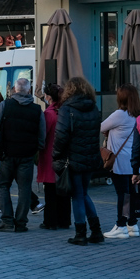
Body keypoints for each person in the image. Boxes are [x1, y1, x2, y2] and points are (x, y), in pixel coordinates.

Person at [0, 78, 45, 233]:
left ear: (14, 89)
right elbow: (42, 135)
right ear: (29, 90)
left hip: (7, 153)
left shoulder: (5, 105)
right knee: (24, 189)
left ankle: (7, 220)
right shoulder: (36, 110)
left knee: (3, 185)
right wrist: (36, 149)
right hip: (26, 155)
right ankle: (21, 222)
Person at [53, 77, 104, 245]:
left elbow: (61, 136)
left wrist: (56, 154)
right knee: (84, 193)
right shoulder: (93, 107)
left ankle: (80, 233)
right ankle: (96, 231)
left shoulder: (67, 109)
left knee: (77, 195)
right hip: (90, 157)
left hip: (72, 157)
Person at [100, 83, 140, 239]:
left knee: (122, 194)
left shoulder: (119, 115)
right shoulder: (139, 115)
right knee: (131, 194)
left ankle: (121, 226)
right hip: (134, 162)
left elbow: (101, 126)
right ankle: (133, 224)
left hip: (120, 162)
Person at [39, 84, 71, 230]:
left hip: (50, 155)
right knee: (64, 189)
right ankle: (65, 220)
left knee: (50, 190)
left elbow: (43, 135)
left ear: (49, 97)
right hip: (65, 154)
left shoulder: (49, 114)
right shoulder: (66, 111)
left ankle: (50, 221)